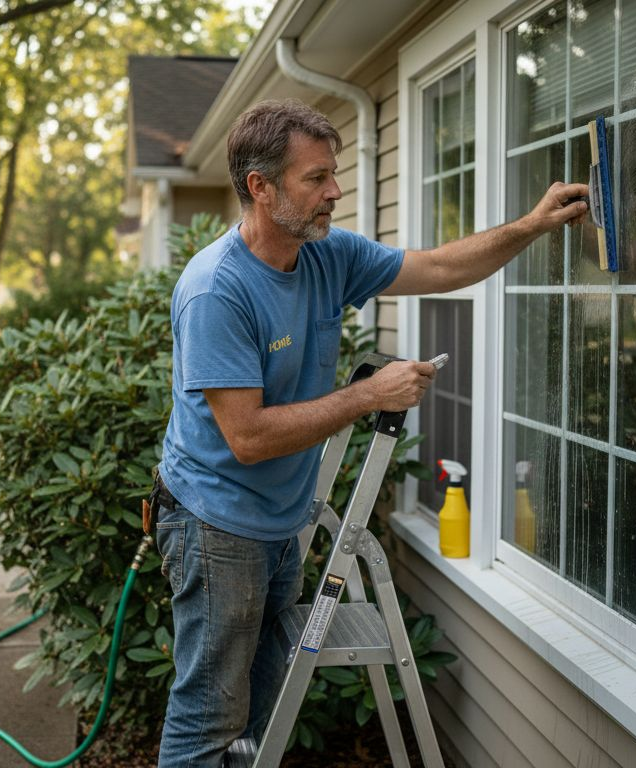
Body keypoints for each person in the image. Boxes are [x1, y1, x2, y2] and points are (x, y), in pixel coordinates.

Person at [151, 99, 587, 767]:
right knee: (209, 715)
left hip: (276, 521)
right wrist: (364, 397)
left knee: (259, 716)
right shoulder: (218, 290)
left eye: (334, 174)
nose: (335, 191)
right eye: (316, 178)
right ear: (261, 188)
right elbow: (248, 438)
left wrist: (532, 225)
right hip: (216, 528)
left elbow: (441, 269)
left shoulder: (327, 255)